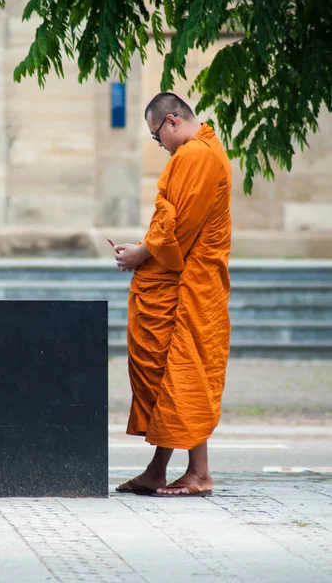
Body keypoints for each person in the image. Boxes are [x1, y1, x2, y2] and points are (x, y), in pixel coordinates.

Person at [114, 92, 232, 497]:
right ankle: (156, 470)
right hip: (186, 278)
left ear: (171, 122)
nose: (159, 146)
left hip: (188, 284)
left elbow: (177, 232)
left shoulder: (195, 157)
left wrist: (138, 255)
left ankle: (199, 473)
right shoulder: (205, 150)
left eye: (155, 137)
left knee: (183, 371)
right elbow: (176, 227)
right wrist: (146, 250)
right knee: (171, 373)